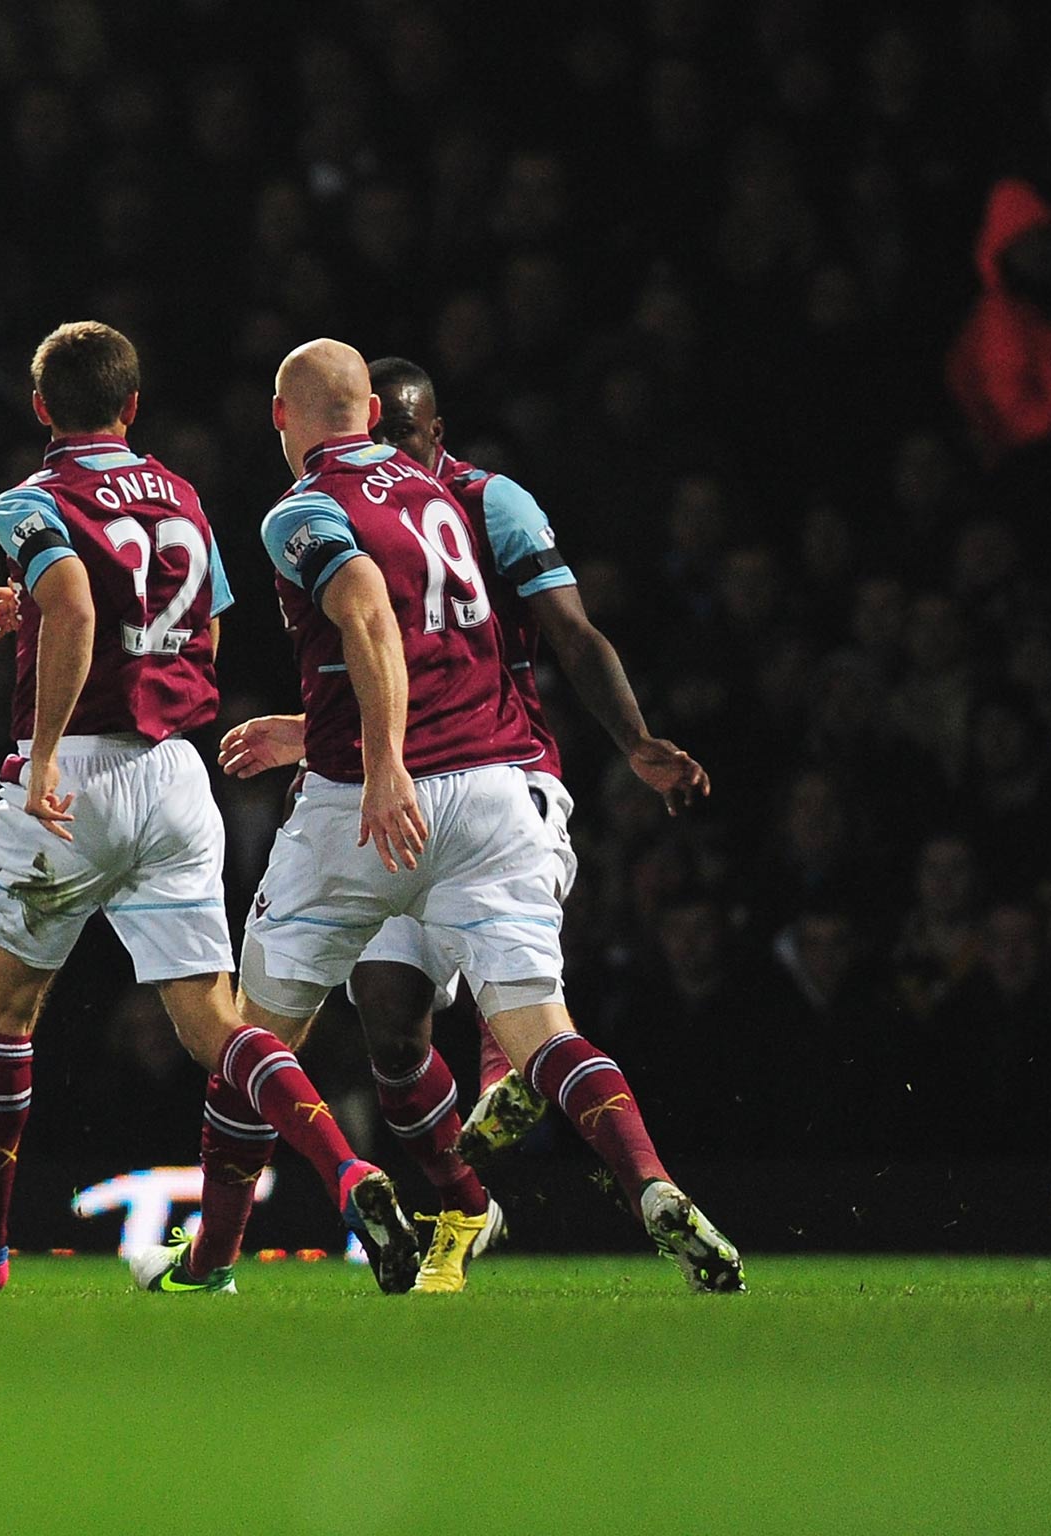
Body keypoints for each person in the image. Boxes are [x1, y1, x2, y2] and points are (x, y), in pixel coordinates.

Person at [186, 338, 741, 1295]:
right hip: (494, 788)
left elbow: (364, 613)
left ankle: (225, 1252)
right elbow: (450, 648)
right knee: (542, 1033)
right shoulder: (448, 498)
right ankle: (647, 1182)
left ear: (284, 416)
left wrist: (384, 763)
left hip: (372, 803)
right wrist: (311, 723)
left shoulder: (303, 511)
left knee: (251, 1041)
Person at [0, 321, 419, 1295]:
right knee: (215, 1025)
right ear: (132, 406)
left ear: (40, 409)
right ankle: (347, 1171)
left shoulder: (33, 497)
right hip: (175, 775)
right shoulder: (181, 496)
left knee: (5, 1014)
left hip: (78, 774)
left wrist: (50, 751)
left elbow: (75, 606)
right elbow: (196, 624)